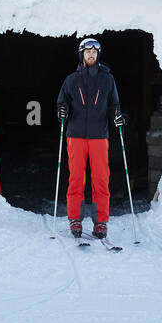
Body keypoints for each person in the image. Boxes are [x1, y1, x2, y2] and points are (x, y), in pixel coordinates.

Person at [56, 37, 126, 239]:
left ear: (98, 54)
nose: (91, 54)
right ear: (82, 55)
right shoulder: (71, 80)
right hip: (75, 135)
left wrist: (119, 117)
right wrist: (62, 112)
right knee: (76, 178)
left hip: (99, 135)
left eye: (95, 52)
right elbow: (62, 103)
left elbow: (115, 105)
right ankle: (75, 218)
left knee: (101, 179)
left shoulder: (107, 79)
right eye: (87, 52)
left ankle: (101, 222)